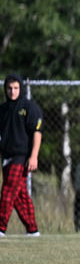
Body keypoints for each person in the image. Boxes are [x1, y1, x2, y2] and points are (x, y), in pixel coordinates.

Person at [0, 74, 43, 238]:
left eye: (16, 88)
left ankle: (1, 227)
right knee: (19, 195)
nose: (12, 92)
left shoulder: (29, 107)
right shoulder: (3, 110)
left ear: (21, 88)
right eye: (9, 88)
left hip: (22, 156)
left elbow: (37, 133)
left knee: (8, 190)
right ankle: (33, 229)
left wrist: (34, 156)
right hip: (6, 156)